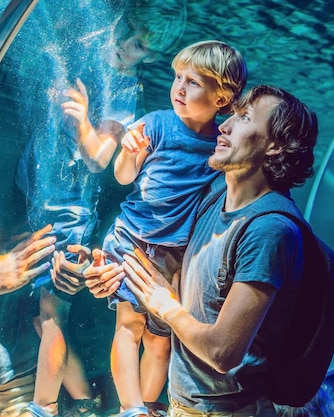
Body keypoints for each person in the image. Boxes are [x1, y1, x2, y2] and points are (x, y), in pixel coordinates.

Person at [15, 2, 187, 416]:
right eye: (128, 32)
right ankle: (85, 404)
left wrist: (80, 121)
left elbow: (99, 158)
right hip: (47, 205)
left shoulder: (125, 88)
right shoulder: (93, 56)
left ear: (150, 56)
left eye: (141, 47)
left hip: (68, 214)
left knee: (52, 316)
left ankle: (42, 408)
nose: (126, 47)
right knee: (43, 320)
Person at [120, 84, 319, 416]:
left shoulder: (269, 230)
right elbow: (184, 287)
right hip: (184, 405)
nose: (224, 126)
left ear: (274, 146)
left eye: (244, 118)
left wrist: (166, 306)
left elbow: (222, 352)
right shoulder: (213, 197)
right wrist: (115, 274)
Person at [89, 40, 247, 417]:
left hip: (178, 253)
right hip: (134, 238)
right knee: (129, 323)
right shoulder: (155, 124)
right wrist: (129, 152)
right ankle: (131, 409)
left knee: (161, 339)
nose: (179, 86)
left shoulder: (220, 142)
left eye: (194, 82)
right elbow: (124, 178)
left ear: (222, 97)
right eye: (178, 77)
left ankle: (148, 404)